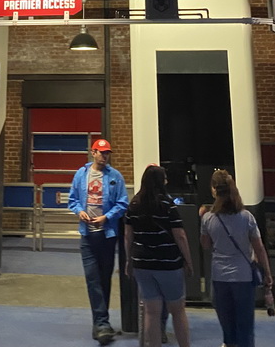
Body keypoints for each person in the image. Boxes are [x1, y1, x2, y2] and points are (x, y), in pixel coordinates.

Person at [200, 169, 272, 347]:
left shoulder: (208, 218)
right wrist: (267, 274)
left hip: (219, 277)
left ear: (214, 190)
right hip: (243, 277)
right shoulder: (247, 217)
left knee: (228, 328)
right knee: (245, 327)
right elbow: (259, 249)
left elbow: (206, 245)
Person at [68, 138, 128, 345]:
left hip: (107, 236)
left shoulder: (115, 177)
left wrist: (107, 217)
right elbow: (72, 200)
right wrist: (80, 211)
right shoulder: (81, 175)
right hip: (88, 236)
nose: (104, 156)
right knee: (92, 279)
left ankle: (101, 323)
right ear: (92, 152)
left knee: (104, 279)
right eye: (101, 152)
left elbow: (122, 203)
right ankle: (102, 323)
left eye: (107, 153)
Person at [124, 165, 193, 347]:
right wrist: (188, 260)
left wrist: (128, 260)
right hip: (168, 263)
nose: (167, 181)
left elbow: (128, 236)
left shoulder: (134, 204)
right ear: (160, 182)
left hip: (142, 264)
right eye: (165, 178)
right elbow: (180, 235)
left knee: (151, 312)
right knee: (177, 311)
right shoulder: (168, 205)